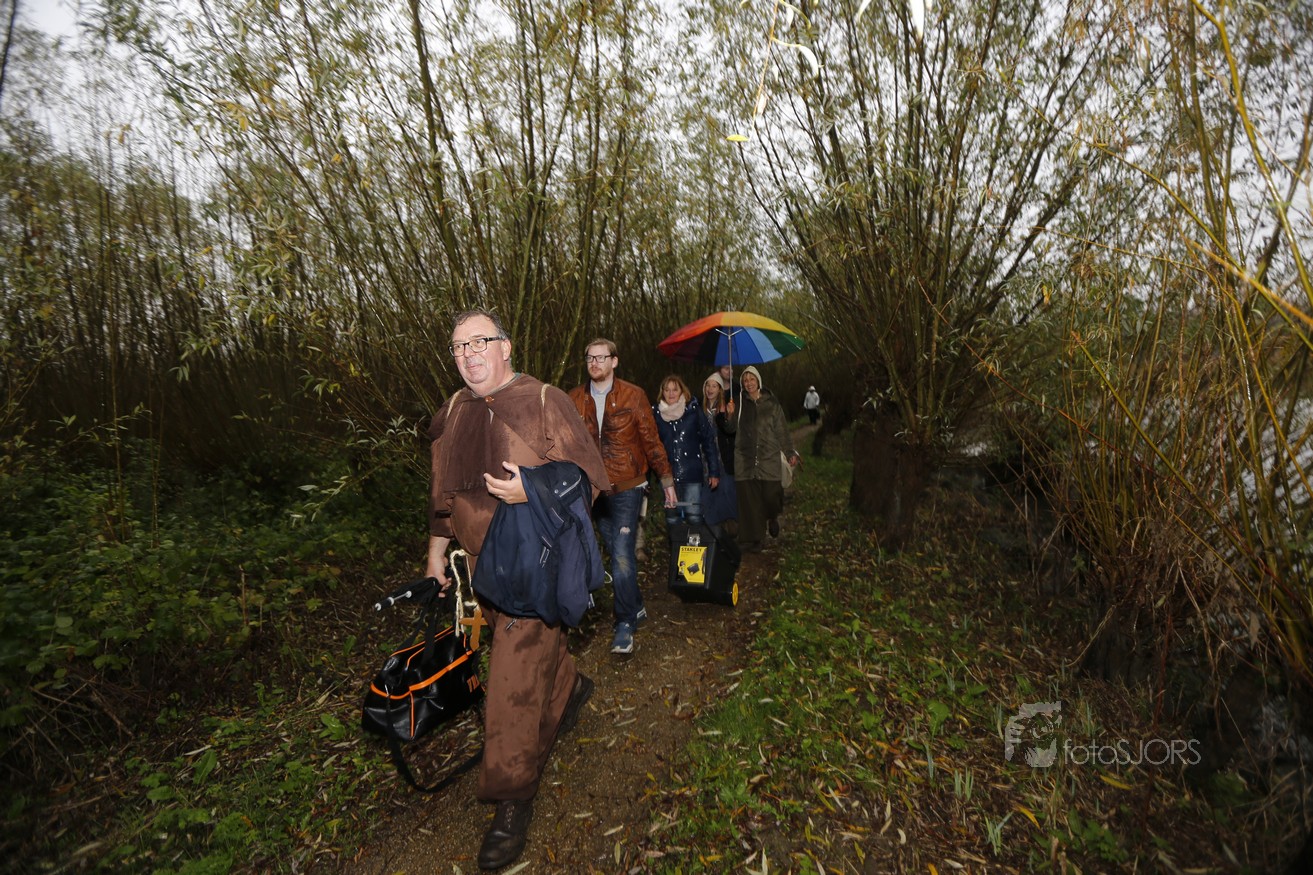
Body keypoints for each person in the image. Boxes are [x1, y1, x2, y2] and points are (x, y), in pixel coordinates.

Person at [426, 308, 609, 871]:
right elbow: (442, 494)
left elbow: (591, 479)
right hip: (480, 568)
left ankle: (511, 796)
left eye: (479, 342)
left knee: (511, 678)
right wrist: (435, 553)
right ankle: (569, 688)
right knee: (534, 661)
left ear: (505, 347)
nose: (468, 355)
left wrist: (532, 490)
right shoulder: (454, 411)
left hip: (535, 562)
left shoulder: (544, 400)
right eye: (458, 347)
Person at [568, 338, 677, 655]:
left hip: (629, 486)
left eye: (601, 357)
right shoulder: (573, 398)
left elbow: (651, 440)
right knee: (617, 552)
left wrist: (666, 480)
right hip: (593, 490)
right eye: (590, 357)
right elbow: (565, 444)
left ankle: (625, 623)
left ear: (614, 361)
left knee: (621, 556)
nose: (594, 362)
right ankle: (636, 605)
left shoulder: (634, 395)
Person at [734, 366, 800, 553]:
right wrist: (728, 415)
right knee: (752, 501)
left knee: (771, 497)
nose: (748, 383)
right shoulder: (739, 403)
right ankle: (755, 539)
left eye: (751, 379)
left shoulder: (772, 404)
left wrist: (789, 452)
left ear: (758, 381)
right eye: (745, 380)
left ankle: (772, 516)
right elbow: (729, 428)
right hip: (745, 460)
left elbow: (782, 430)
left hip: (769, 458)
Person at [652, 375, 720, 535]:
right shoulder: (655, 414)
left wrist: (714, 471)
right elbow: (651, 447)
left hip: (692, 473)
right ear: (662, 392)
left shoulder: (693, 411)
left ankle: (696, 548)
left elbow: (708, 441)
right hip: (667, 475)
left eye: (674, 389)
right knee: (671, 517)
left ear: (682, 391)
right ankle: (676, 547)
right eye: (667, 390)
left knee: (694, 516)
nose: (671, 393)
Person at [701, 372, 738, 538]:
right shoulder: (699, 409)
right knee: (709, 495)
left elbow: (730, 430)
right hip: (706, 461)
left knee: (727, 492)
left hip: (723, 459)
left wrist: (728, 415)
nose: (710, 389)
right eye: (708, 385)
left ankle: (731, 527)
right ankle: (714, 531)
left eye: (714, 386)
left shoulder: (723, 408)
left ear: (720, 389)